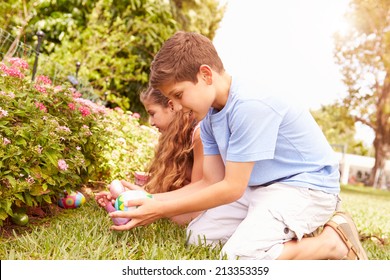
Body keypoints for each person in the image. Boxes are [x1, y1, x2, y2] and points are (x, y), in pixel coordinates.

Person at [109, 31, 368, 260]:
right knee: (198, 237)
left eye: (178, 94)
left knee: (239, 258)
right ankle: (276, 229)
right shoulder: (209, 117)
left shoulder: (249, 104)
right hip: (261, 189)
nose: (175, 105)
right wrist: (150, 199)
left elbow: (232, 188)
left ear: (205, 75)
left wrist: (159, 208)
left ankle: (332, 243)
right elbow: (211, 182)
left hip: (306, 188)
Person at [96, 87, 203, 225]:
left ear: (171, 107)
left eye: (152, 113)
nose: (151, 122)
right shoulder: (175, 139)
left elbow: (198, 195)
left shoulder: (198, 135)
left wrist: (147, 200)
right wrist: (131, 199)